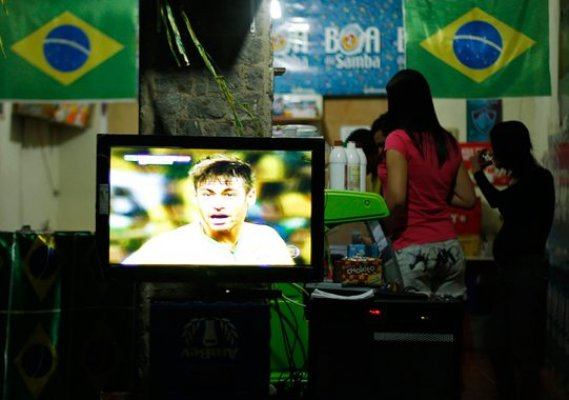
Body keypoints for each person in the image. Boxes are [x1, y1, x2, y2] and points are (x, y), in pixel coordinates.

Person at [469, 121, 555, 400]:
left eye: (496, 148)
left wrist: (478, 172)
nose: (493, 153)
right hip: (511, 272)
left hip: (525, 273)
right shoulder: (523, 178)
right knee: (499, 344)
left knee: (522, 347)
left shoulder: (538, 178)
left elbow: (499, 201)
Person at [378, 69, 476, 298]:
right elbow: (468, 198)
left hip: (412, 249)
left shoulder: (398, 139)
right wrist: (431, 189)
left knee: (412, 321)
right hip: (449, 249)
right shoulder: (447, 140)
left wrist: (383, 232)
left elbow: (397, 199)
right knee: (447, 320)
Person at [123, 154, 295, 265]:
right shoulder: (168, 245)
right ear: (195, 197)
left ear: (250, 197)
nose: (218, 204)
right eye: (208, 194)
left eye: (229, 194)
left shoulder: (266, 238)